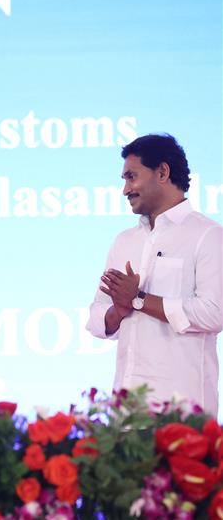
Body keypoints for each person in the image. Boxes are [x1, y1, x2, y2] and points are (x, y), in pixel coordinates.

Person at [86, 134, 223, 415]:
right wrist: (119, 309)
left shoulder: (208, 236)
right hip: (127, 410)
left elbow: (214, 313)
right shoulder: (124, 241)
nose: (125, 189)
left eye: (131, 177)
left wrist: (138, 299)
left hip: (183, 412)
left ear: (162, 172)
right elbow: (98, 317)